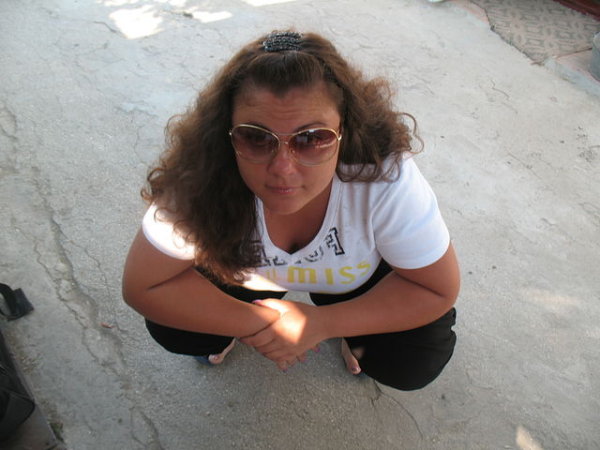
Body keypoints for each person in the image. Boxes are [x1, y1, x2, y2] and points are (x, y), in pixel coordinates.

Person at [122, 30, 460, 391]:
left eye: (312, 138)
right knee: (178, 330)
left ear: (346, 132)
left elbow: (437, 289)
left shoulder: (383, 177)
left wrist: (323, 324)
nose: (283, 168)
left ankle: (352, 330)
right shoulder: (202, 175)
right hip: (241, 280)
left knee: (412, 359)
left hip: (353, 284)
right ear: (225, 135)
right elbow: (144, 286)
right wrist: (258, 325)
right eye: (256, 137)